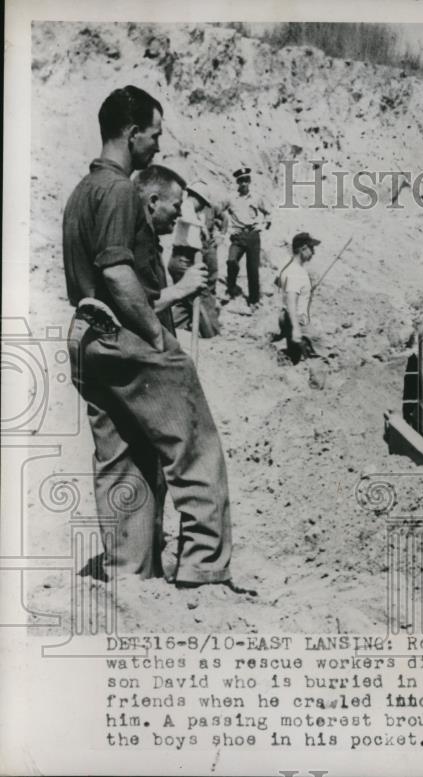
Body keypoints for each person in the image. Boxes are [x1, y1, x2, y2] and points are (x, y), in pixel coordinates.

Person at [62, 86, 249, 593]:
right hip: (125, 335)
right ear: (131, 133)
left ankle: (131, 571)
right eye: (155, 134)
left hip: (86, 336)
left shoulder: (83, 192)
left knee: (122, 457)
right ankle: (203, 566)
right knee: (195, 445)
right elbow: (119, 275)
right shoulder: (122, 191)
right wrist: (156, 336)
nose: (157, 147)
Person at [167, 180, 222, 337]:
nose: (203, 206)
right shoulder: (186, 206)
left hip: (187, 259)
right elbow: (184, 217)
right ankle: (211, 334)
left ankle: (168, 324)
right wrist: (201, 225)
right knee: (198, 296)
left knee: (185, 301)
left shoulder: (195, 211)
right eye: (202, 202)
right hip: (182, 259)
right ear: (196, 197)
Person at [224, 167, 270, 308]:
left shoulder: (257, 197)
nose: (244, 183)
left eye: (246, 180)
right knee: (231, 261)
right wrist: (227, 230)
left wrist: (263, 225)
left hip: (252, 235)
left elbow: (268, 214)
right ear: (237, 182)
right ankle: (231, 287)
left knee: (252, 269)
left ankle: (253, 300)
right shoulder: (231, 198)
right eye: (241, 181)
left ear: (249, 182)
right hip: (237, 235)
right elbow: (220, 213)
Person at [278, 231, 321, 364]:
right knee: (324, 352)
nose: (313, 252)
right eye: (311, 248)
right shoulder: (297, 272)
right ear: (303, 249)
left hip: (286, 318)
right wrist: (296, 329)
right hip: (296, 321)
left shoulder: (289, 266)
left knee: (297, 356)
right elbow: (291, 301)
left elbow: (278, 284)